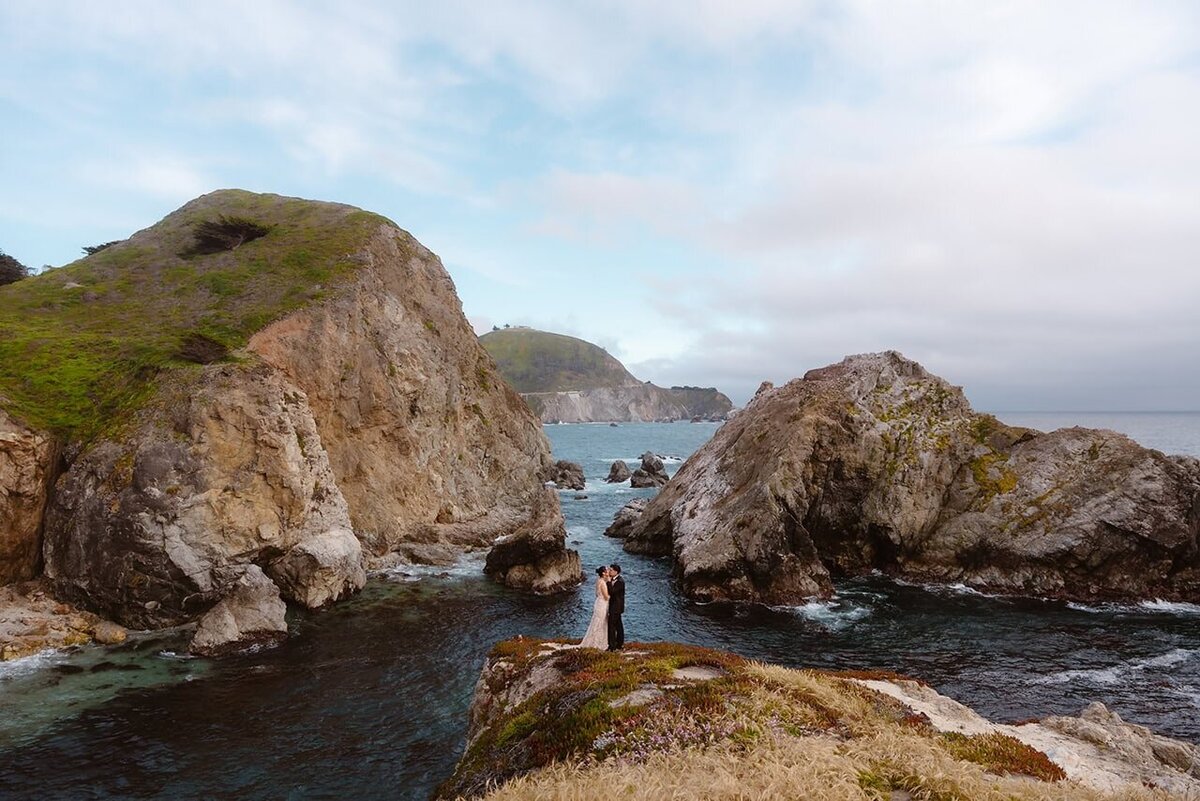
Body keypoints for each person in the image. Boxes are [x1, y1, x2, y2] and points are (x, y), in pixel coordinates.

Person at [578, 566, 610, 649]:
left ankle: (594, 640)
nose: (608, 572)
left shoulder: (598, 581)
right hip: (603, 603)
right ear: (603, 573)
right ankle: (598, 642)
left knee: (596, 621)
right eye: (606, 571)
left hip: (598, 602)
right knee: (601, 622)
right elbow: (606, 597)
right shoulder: (602, 583)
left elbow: (597, 594)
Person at [606, 563, 625, 651]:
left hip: (616, 607)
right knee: (618, 625)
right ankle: (619, 644)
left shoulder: (620, 581)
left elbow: (612, 592)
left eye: (611, 570)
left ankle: (612, 646)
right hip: (616, 606)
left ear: (616, 572)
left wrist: (609, 581)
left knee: (612, 626)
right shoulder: (617, 580)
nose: (609, 571)